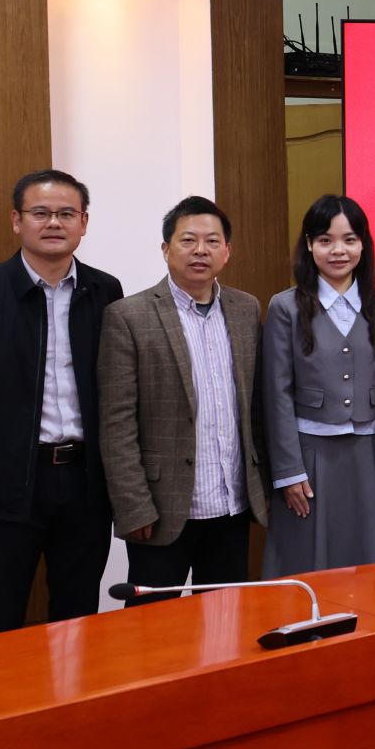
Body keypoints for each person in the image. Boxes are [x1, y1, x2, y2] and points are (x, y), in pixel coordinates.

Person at [0, 170, 124, 633]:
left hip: (84, 481)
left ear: (83, 222)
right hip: (6, 484)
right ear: (17, 221)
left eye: (66, 213)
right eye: (40, 213)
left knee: (79, 614)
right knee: (1, 615)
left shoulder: (105, 291)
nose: (53, 223)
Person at [99, 197, 269, 602]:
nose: (200, 250)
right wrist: (134, 506)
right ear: (165, 249)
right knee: (152, 627)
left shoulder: (246, 309)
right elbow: (116, 422)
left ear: (227, 251)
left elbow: (256, 408)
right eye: (188, 240)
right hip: (161, 510)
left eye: (212, 241)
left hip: (232, 503)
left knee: (227, 620)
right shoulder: (129, 316)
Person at [262, 195, 375, 571]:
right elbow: (276, 394)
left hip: (371, 453)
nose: (338, 250)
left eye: (349, 239)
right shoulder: (285, 307)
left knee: (370, 557)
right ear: (309, 245)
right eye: (325, 240)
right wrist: (289, 471)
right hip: (310, 455)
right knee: (309, 557)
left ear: (363, 245)